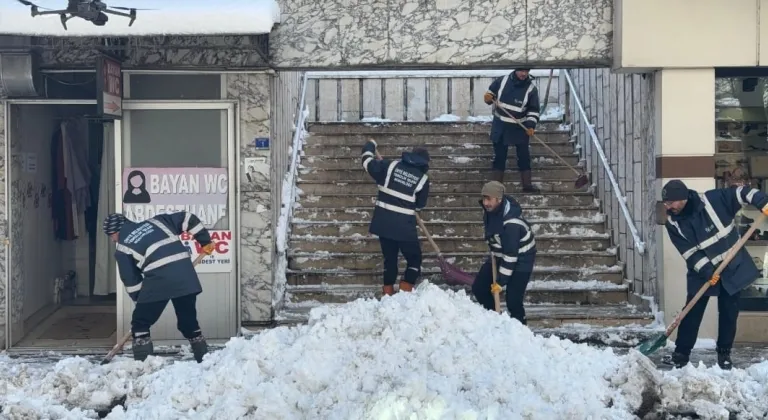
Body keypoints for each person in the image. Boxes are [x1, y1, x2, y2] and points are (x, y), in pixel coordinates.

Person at [660, 180, 768, 370]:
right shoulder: (672, 223)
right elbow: (689, 252)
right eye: (666, 203)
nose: (668, 207)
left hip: (732, 265)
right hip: (702, 272)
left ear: (683, 198)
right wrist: (707, 271)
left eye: (671, 202)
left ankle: (724, 354)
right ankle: (681, 354)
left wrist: (762, 202)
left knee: (729, 312)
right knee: (692, 311)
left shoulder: (714, 200)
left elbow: (742, 192)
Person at [102, 211, 215, 363]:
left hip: (159, 281)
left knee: (140, 323)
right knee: (188, 322)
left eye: (111, 236)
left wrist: (141, 302)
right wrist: (204, 241)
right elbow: (188, 218)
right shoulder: (158, 222)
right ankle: (204, 359)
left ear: (115, 231)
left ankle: (143, 365)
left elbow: (131, 281)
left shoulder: (122, 249)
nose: (112, 240)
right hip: (186, 276)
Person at [361, 139, 430, 296]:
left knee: (390, 259)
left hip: (383, 224)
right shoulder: (423, 179)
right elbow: (419, 206)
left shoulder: (389, 166)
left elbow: (366, 162)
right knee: (414, 259)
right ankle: (405, 292)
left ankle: (388, 294)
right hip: (405, 227)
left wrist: (370, 145)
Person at [471, 181, 537, 323]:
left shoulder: (511, 224)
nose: (485, 203)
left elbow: (511, 256)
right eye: (484, 198)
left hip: (522, 258)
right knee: (479, 288)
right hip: (500, 253)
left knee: (513, 300)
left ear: (499, 199)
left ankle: (521, 330)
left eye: (489, 199)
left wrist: (500, 282)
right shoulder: (491, 211)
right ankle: (495, 320)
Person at [483, 68, 541, 192]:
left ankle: (527, 186)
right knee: (499, 157)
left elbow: (533, 110)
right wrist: (488, 97)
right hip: (500, 125)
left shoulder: (531, 89)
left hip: (520, 126)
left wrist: (530, 125)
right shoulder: (502, 81)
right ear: (515, 70)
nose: (524, 74)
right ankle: (495, 189)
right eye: (521, 71)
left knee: (524, 156)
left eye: (526, 71)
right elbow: (491, 93)